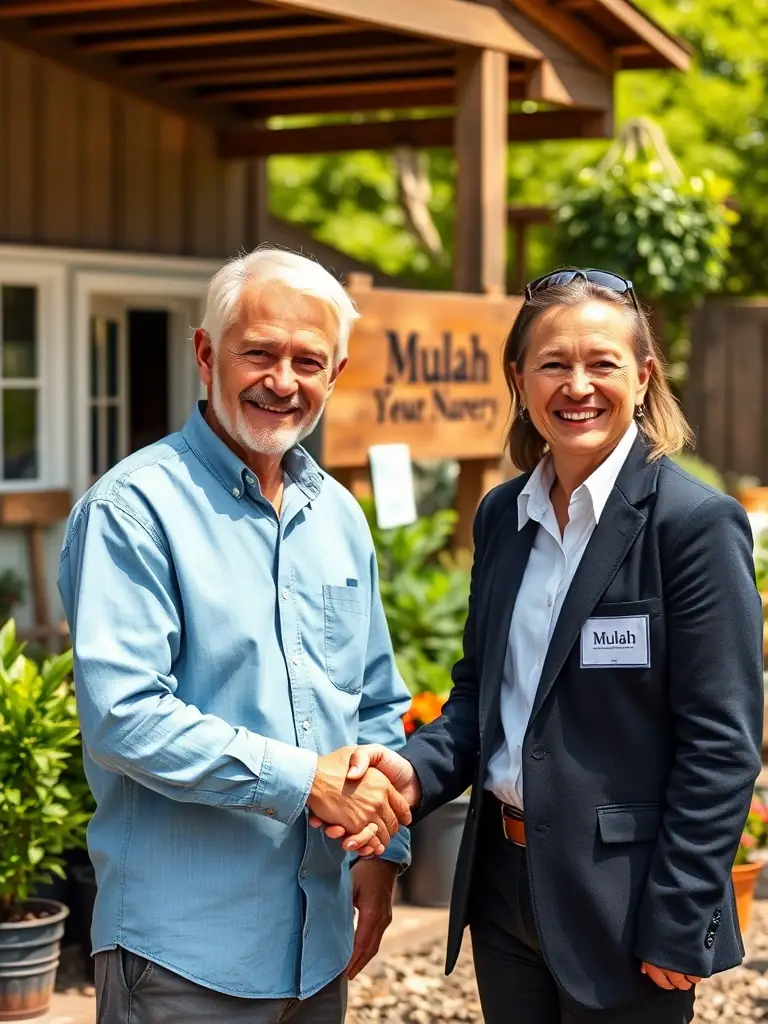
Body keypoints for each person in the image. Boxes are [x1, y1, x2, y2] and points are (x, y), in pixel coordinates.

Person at [319, 269, 765, 1023]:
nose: (577, 386)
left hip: (626, 905)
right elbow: (479, 696)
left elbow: (722, 745)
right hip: (503, 891)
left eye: (602, 363)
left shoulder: (692, 524)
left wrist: (681, 914)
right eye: (554, 363)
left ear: (643, 377)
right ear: (519, 379)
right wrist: (410, 773)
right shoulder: (503, 516)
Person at [57, 247, 413, 1024]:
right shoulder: (133, 510)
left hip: (319, 949)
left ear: (336, 373)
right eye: (259, 353)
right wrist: (304, 780)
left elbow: (376, 701)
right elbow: (123, 717)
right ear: (205, 352)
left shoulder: (339, 517)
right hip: (183, 958)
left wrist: (382, 851)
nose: (282, 381)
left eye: (307, 361)